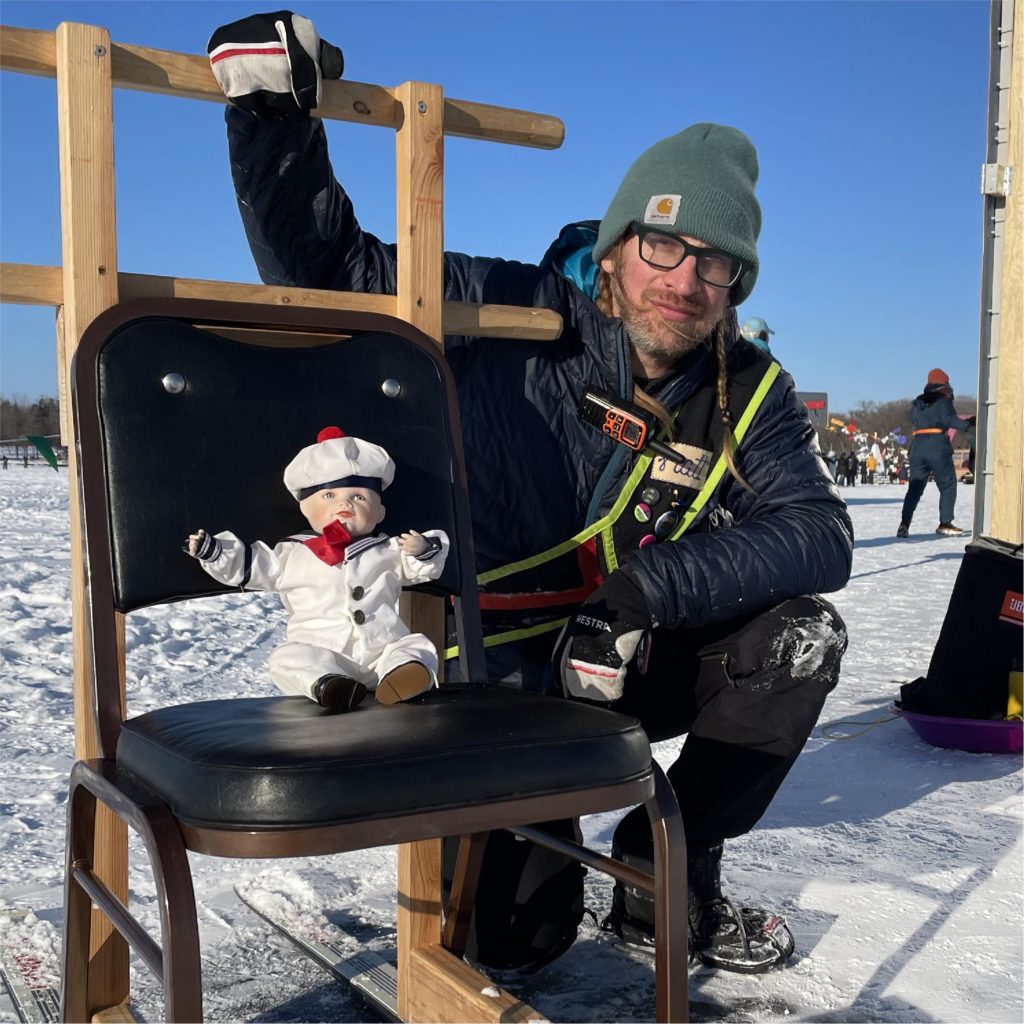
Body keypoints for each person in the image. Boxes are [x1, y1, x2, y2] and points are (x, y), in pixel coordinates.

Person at [209, 10, 852, 974]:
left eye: (718, 265)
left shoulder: (747, 388)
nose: (687, 281)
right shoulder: (510, 310)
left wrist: (645, 593)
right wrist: (271, 114)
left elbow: (818, 532)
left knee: (800, 638)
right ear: (622, 241)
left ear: (736, 285)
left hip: (625, 648)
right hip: (497, 669)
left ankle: (664, 866)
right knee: (516, 947)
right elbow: (333, 274)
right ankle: (528, 870)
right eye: (667, 248)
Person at [184, 426, 449, 709]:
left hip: (382, 650)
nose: (345, 503)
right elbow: (256, 566)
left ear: (380, 512)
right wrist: (215, 553)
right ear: (306, 509)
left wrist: (422, 550)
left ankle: (402, 675)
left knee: (416, 646)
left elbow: (421, 568)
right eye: (329, 496)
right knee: (286, 659)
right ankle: (328, 684)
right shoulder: (293, 554)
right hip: (322, 650)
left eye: (359, 497)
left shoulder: (388, 550)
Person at [897, 369, 974, 537]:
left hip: (917, 447)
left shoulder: (917, 403)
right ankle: (945, 522)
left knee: (915, 488)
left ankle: (904, 524)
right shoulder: (943, 400)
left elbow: (910, 416)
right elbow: (949, 420)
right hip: (937, 446)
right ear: (944, 384)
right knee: (947, 485)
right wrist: (969, 428)